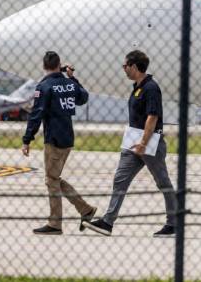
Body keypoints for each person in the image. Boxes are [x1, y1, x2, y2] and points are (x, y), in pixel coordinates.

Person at [84, 50, 176, 237]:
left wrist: (143, 142)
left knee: (163, 182)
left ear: (134, 66)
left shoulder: (151, 88)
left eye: (125, 66)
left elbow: (153, 116)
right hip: (133, 142)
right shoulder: (138, 87)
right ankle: (107, 222)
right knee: (120, 179)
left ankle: (173, 223)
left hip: (150, 143)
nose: (123, 69)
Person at [22, 51, 96, 235]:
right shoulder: (70, 83)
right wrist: (73, 78)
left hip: (53, 139)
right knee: (54, 178)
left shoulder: (44, 86)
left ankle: (56, 223)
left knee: (51, 179)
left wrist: (27, 139)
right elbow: (83, 97)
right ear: (59, 65)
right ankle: (85, 210)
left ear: (44, 66)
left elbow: (36, 114)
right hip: (68, 138)